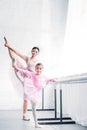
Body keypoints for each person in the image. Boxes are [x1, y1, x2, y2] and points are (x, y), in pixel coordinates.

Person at [4, 37, 40, 121]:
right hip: (25, 74)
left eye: (36, 52)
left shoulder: (38, 62)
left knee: (27, 98)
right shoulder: (28, 58)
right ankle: (7, 45)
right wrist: (9, 46)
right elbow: (17, 52)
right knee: (15, 58)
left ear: (37, 53)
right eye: (33, 51)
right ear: (31, 51)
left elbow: (39, 72)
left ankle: (24, 116)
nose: (34, 52)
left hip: (31, 80)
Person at [13, 59, 57, 128]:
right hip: (32, 92)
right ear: (35, 69)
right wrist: (17, 69)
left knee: (34, 108)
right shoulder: (32, 74)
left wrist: (53, 79)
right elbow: (25, 71)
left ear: (42, 69)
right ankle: (36, 123)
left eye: (40, 69)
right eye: (37, 68)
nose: (38, 70)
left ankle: (36, 123)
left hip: (37, 93)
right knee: (34, 108)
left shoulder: (43, 76)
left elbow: (48, 79)